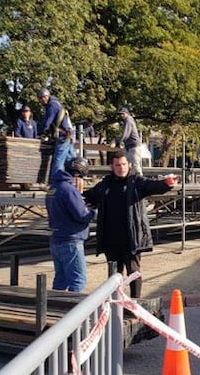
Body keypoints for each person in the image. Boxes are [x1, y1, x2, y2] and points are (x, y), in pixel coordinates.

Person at [82, 151, 177, 298]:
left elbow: (151, 186)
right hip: (111, 239)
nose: (121, 168)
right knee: (114, 275)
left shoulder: (135, 182)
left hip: (131, 238)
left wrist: (166, 184)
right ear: (111, 166)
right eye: (118, 165)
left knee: (133, 272)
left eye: (124, 164)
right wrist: (75, 190)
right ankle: (116, 304)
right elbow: (88, 196)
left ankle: (135, 303)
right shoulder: (105, 184)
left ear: (129, 165)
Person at [45, 157, 95, 292]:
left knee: (60, 280)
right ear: (78, 175)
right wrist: (93, 212)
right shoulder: (69, 190)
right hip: (71, 240)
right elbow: (82, 215)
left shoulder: (53, 187)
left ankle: (54, 308)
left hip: (56, 238)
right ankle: (73, 311)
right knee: (78, 280)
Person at [38, 88, 75, 179]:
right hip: (68, 134)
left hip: (63, 136)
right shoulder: (56, 104)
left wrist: (40, 133)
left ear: (46, 96)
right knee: (70, 160)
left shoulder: (52, 105)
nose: (42, 100)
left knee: (58, 161)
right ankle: (74, 178)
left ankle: (55, 183)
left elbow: (47, 122)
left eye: (42, 98)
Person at [117, 107, 143, 176]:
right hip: (128, 146)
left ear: (127, 113)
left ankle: (141, 182)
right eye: (120, 114)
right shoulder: (125, 121)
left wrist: (120, 141)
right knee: (127, 165)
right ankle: (131, 182)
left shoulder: (128, 120)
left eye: (123, 114)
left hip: (134, 146)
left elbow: (126, 134)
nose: (121, 115)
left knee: (135, 165)